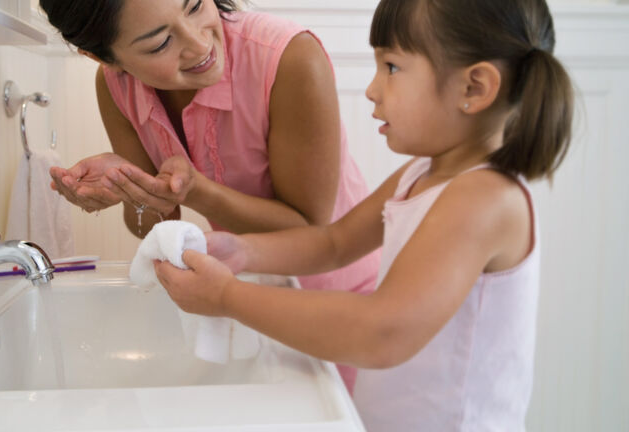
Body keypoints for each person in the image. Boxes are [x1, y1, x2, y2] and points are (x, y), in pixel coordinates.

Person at [153, 0, 574, 429]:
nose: (372, 89)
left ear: (474, 88)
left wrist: (226, 297)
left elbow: (382, 333)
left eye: (390, 67)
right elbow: (334, 244)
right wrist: (241, 251)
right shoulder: (421, 174)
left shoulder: (485, 197)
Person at [38, 0, 381, 392]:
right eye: (160, 43)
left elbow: (307, 226)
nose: (200, 45)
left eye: (196, 5)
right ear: (102, 56)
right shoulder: (116, 84)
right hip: (250, 299)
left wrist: (197, 191)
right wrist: (128, 186)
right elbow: (156, 226)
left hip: (343, 298)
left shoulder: (290, 58)